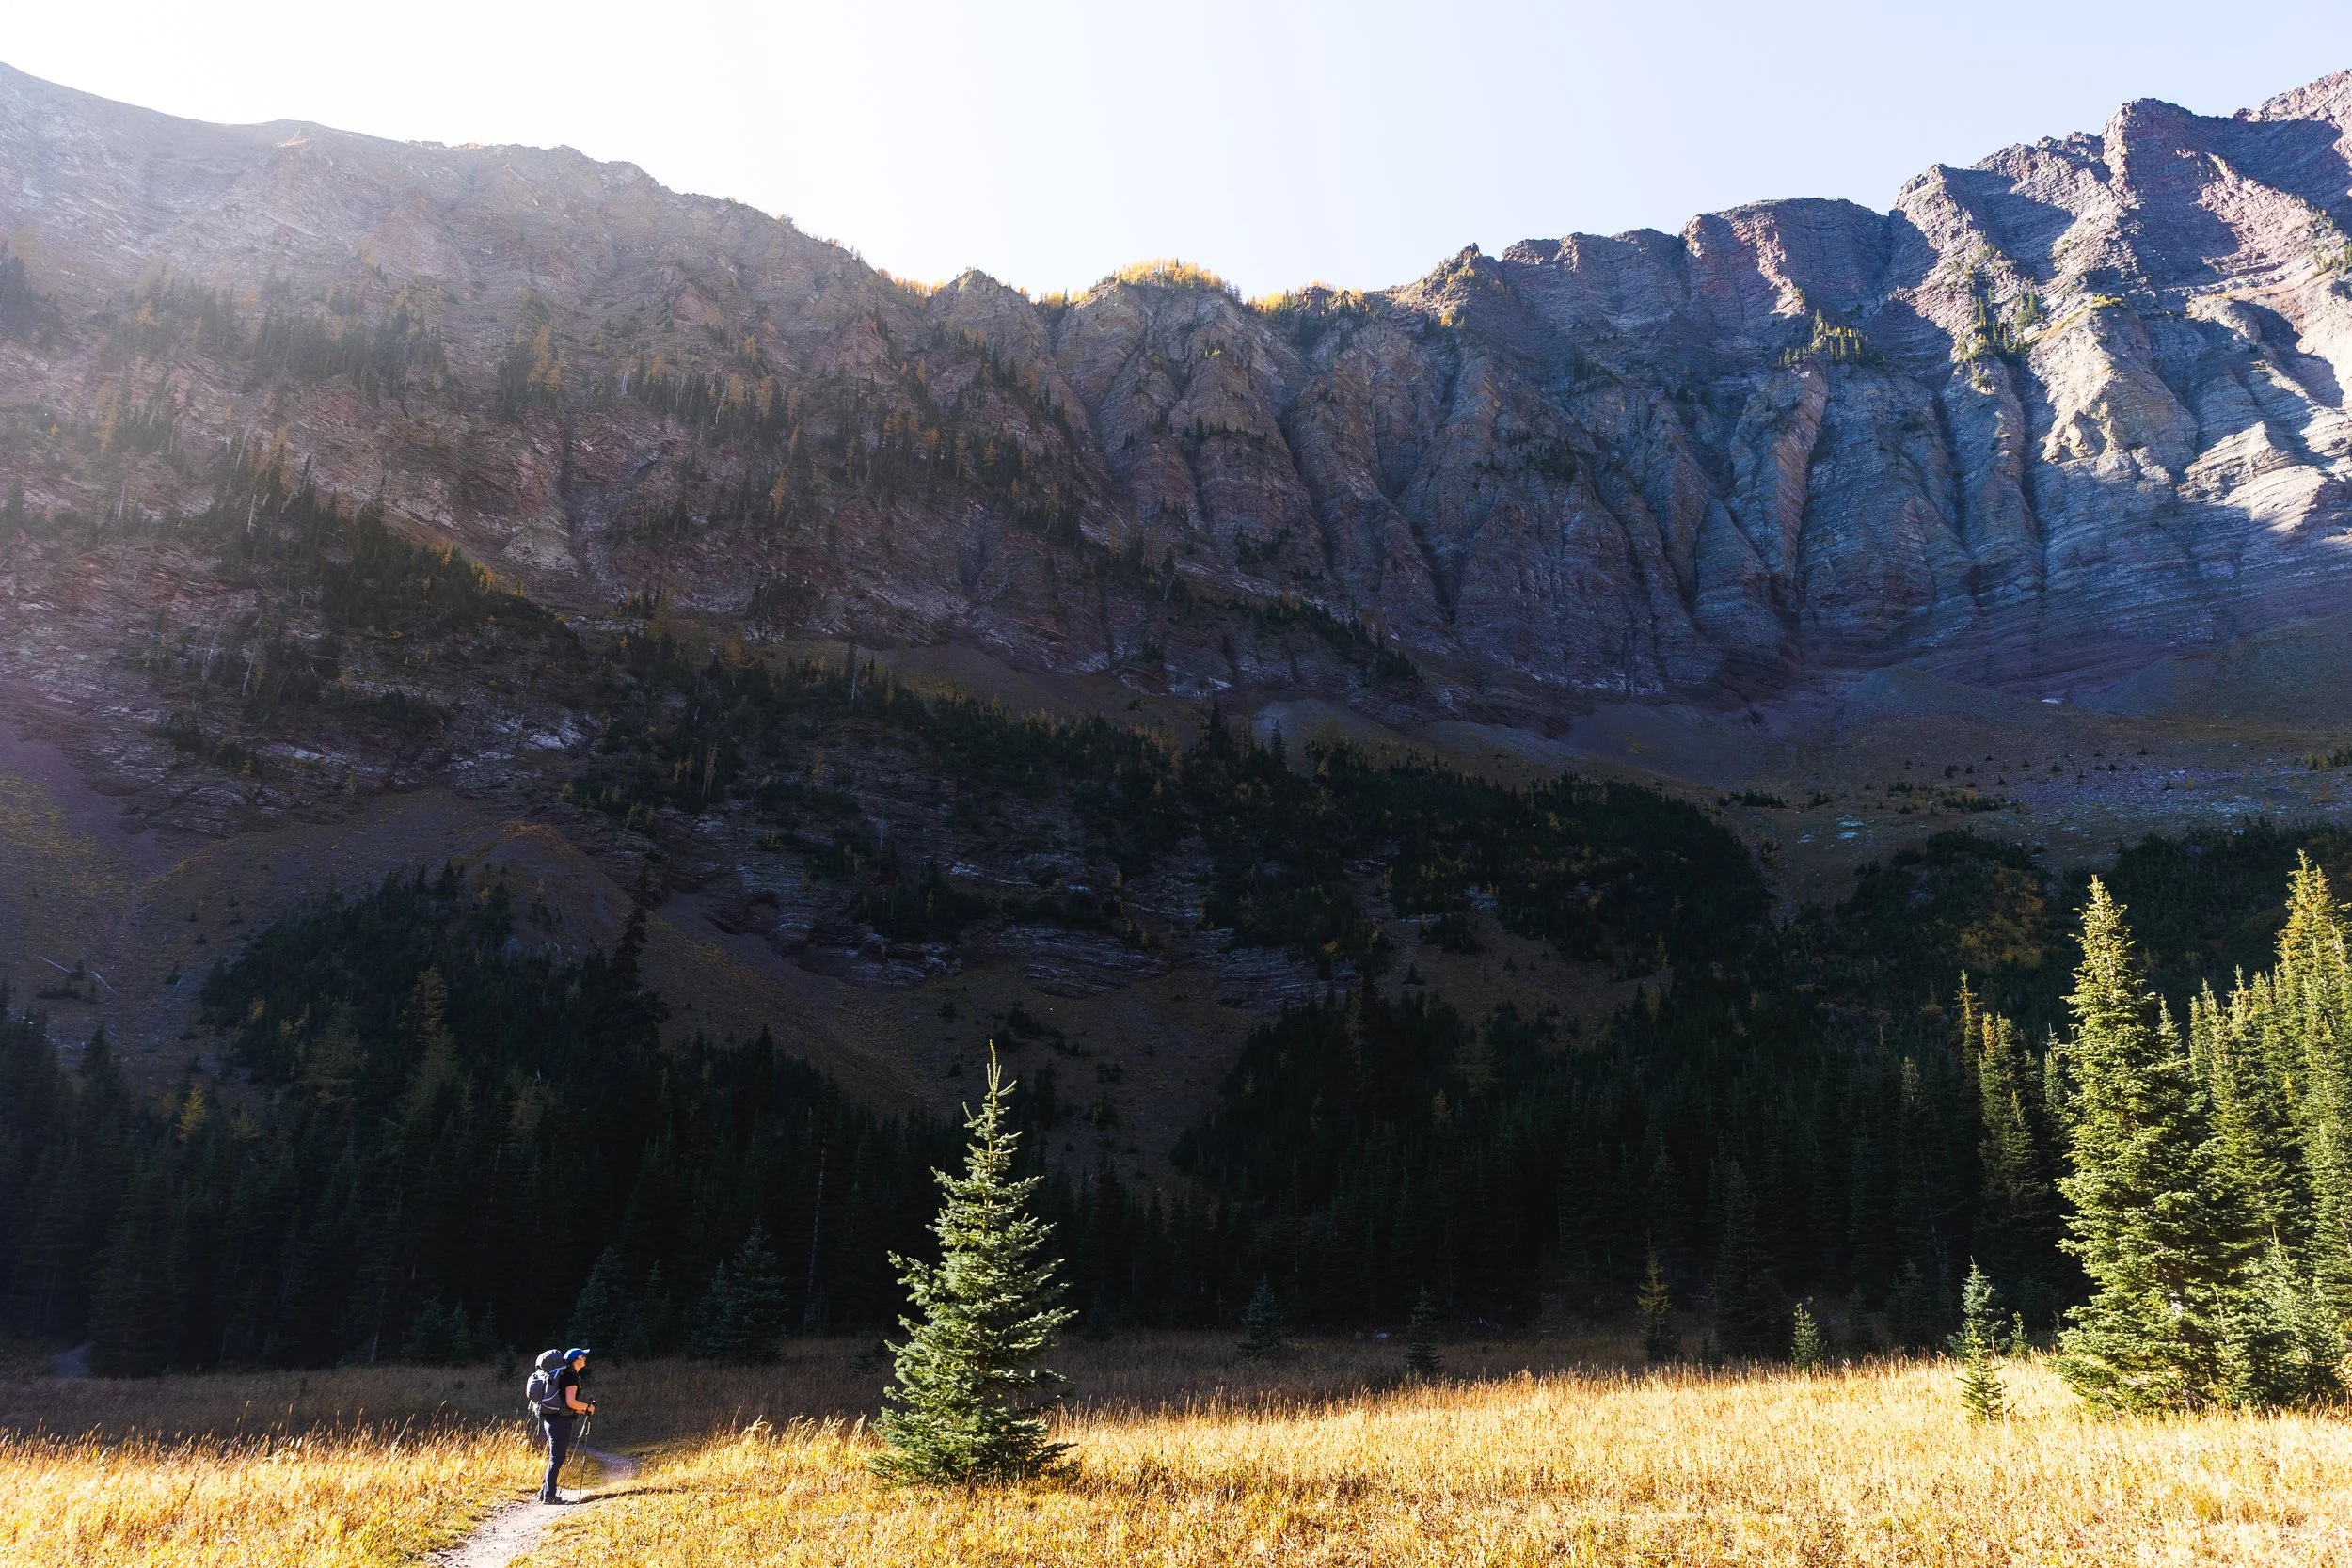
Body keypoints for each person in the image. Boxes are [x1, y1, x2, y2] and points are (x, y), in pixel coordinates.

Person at [540, 1347, 596, 1504]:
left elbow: (565, 1403)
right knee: (557, 1458)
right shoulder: (570, 1377)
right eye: (583, 1356)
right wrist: (586, 1407)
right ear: (575, 1359)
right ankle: (549, 1496)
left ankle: (544, 1492)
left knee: (554, 1457)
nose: (585, 1358)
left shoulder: (566, 1375)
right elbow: (571, 1402)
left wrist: (580, 1410)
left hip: (553, 1420)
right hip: (559, 1422)